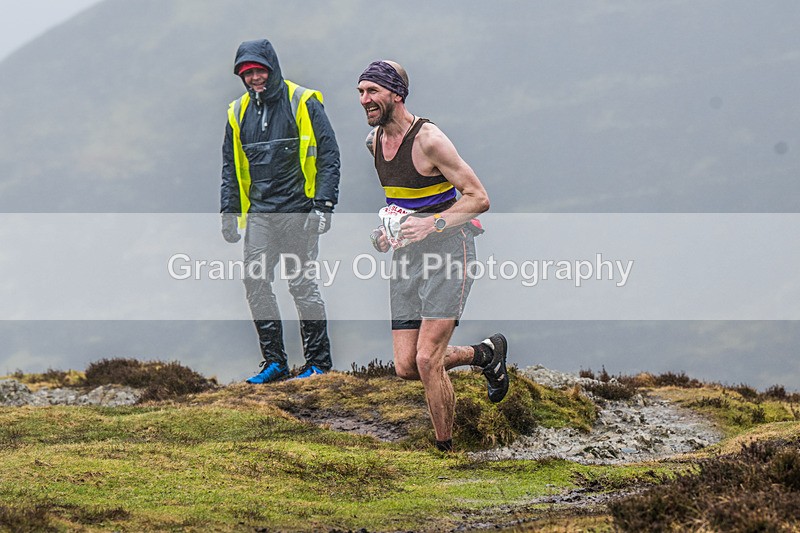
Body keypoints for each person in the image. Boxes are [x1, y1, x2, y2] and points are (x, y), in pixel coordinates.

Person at [357, 60, 509, 452]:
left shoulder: (429, 140)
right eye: (360, 92)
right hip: (407, 256)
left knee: (427, 360)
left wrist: (432, 225)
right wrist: (386, 232)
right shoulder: (374, 143)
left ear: (396, 94)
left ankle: (446, 451)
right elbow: (404, 201)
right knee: (407, 366)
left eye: (372, 91)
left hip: (450, 252)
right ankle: (485, 354)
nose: (364, 99)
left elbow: (479, 198)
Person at [221, 38, 340, 383]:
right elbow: (230, 167)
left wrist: (324, 205)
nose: (254, 78)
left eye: (259, 71)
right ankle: (275, 363)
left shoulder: (302, 101)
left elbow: (329, 155)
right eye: (247, 73)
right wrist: (228, 212)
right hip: (260, 213)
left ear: (272, 69)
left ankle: (319, 364)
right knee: (255, 281)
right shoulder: (237, 113)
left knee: (302, 285)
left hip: (299, 209)